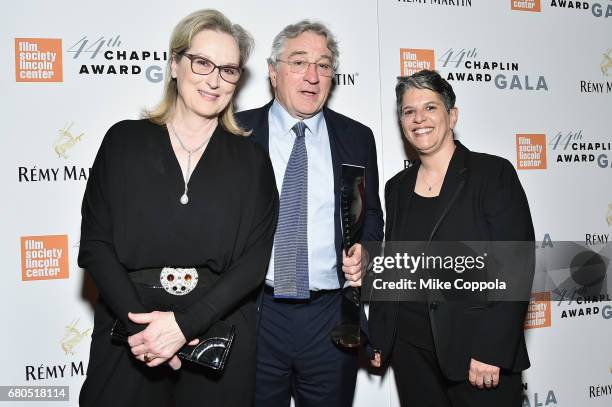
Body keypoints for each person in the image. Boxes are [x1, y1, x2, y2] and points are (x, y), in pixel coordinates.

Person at [78, 9, 278, 407]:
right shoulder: (122, 142)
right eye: (202, 63)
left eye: (229, 69)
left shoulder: (251, 161)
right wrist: (148, 333)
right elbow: (95, 245)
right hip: (128, 332)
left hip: (217, 337)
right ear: (174, 64)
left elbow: (253, 265)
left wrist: (183, 327)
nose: (214, 79)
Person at [236, 20, 384, 407]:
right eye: (299, 62)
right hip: (255, 314)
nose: (313, 76)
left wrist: (365, 254)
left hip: (330, 317)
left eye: (324, 65)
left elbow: (371, 219)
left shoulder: (357, 137)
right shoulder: (236, 133)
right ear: (272, 71)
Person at [368, 70, 534, 406]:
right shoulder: (396, 188)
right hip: (412, 355)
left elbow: (516, 265)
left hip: (477, 355)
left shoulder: (492, 173)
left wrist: (491, 349)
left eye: (430, 108)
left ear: (452, 115)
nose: (419, 119)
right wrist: (381, 337)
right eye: (408, 111)